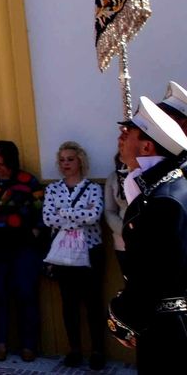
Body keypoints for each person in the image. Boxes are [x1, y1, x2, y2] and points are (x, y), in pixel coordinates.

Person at [108, 96, 187, 373]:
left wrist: (121, 317)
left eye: (129, 132)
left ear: (147, 145)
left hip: (170, 329)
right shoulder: (167, 189)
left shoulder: (163, 200)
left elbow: (155, 274)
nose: (121, 137)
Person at [0, 139, 43, 361]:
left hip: (23, 248)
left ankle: (29, 345)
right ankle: (0, 344)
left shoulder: (28, 181)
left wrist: (33, 233)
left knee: (26, 294)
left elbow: (40, 213)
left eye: (1, 164)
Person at [42, 140, 105, 369]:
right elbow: (49, 218)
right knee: (69, 304)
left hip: (90, 250)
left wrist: (65, 213)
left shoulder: (93, 188)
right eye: (62, 160)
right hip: (64, 254)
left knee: (93, 302)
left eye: (70, 159)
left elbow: (94, 216)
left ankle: (98, 350)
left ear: (80, 161)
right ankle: (74, 349)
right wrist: (78, 213)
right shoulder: (53, 189)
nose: (65, 163)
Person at [105, 149, 129, 270]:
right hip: (122, 241)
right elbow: (109, 210)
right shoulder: (113, 178)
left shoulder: (149, 176)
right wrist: (125, 230)